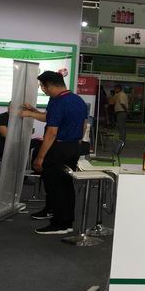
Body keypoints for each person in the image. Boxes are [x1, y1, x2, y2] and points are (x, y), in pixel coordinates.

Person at [21, 71, 88, 235]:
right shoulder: (77, 100)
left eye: (42, 87)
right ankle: (66, 221)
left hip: (58, 148)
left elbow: (51, 132)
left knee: (56, 186)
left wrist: (40, 157)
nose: (42, 90)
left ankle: (60, 224)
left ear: (49, 86)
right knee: (66, 185)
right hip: (73, 147)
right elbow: (83, 125)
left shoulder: (59, 102)